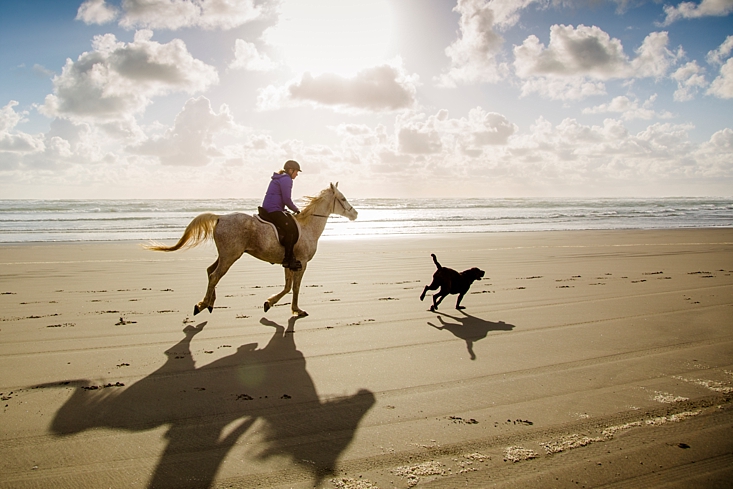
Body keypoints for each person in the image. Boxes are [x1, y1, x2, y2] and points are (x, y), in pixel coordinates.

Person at [260, 160, 302, 270]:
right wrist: (297, 210)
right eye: (296, 171)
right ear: (291, 170)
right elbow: (287, 199)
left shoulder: (280, 177)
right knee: (291, 230)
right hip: (273, 210)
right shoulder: (286, 179)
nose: (297, 174)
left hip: (270, 208)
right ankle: (287, 259)